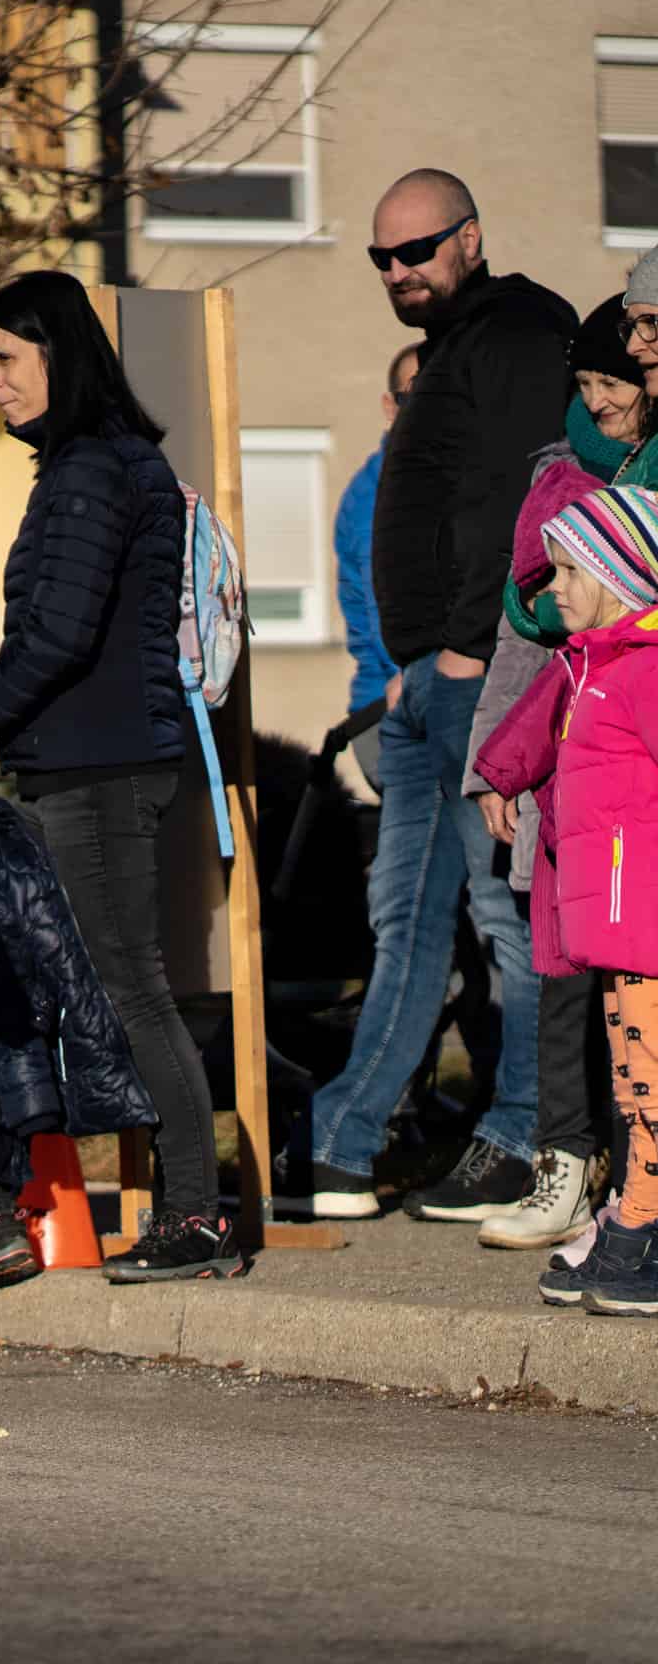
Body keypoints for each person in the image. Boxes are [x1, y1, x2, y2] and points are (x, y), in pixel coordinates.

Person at [0, 270, 237, 1281]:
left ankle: (195, 1215)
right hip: (92, 759)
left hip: (102, 766)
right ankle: (2, 1196)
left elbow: (57, 633)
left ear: (60, 355)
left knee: (129, 990)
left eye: (6, 359)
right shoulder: (97, 466)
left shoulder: (94, 471)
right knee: (56, 985)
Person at [295, 170, 574, 1221]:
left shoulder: (514, 330)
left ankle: (529, 1136)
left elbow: (517, 497)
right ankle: (343, 1140)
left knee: (512, 919)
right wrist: (416, 664)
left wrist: (464, 647)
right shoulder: (456, 345)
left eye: (417, 251)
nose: (400, 271)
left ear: (471, 235)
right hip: (417, 689)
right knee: (406, 920)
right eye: (383, 259)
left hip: (479, 679)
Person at [456, 292, 656, 1246]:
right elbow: (528, 651)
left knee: (635, 1022)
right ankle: (569, 1169)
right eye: (587, 382)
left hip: (632, 835)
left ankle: (629, 1201)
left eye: (614, 380)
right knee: (565, 984)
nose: (602, 399)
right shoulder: (561, 476)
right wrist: (495, 768)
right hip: (571, 808)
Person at [473, 487, 658, 1312]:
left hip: (645, 917)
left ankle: (644, 1229)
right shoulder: (591, 666)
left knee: (652, 1082)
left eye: (568, 572)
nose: (550, 590)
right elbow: (536, 724)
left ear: (620, 576)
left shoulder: (646, 671)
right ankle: (637, 1217)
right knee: (632, 1079)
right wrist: (503, 775)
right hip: (613, 925)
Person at [334, 345, 420, 715]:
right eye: (412, 396)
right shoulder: (380, 493)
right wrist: (421, 680)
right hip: (392, 705)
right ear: (390, 406)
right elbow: (385, 607)